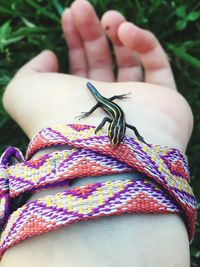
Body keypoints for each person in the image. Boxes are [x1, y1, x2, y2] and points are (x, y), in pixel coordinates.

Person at [1, 0, 195, 266]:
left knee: (106, 99)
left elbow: (131, 129)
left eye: (116, 139)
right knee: (98, 96)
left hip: (113, 101)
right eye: (114, 140)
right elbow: (108, 124)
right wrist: (87, 118)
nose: (115, 142)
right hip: (104, 102)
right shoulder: (112, 123)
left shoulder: (122, 128)